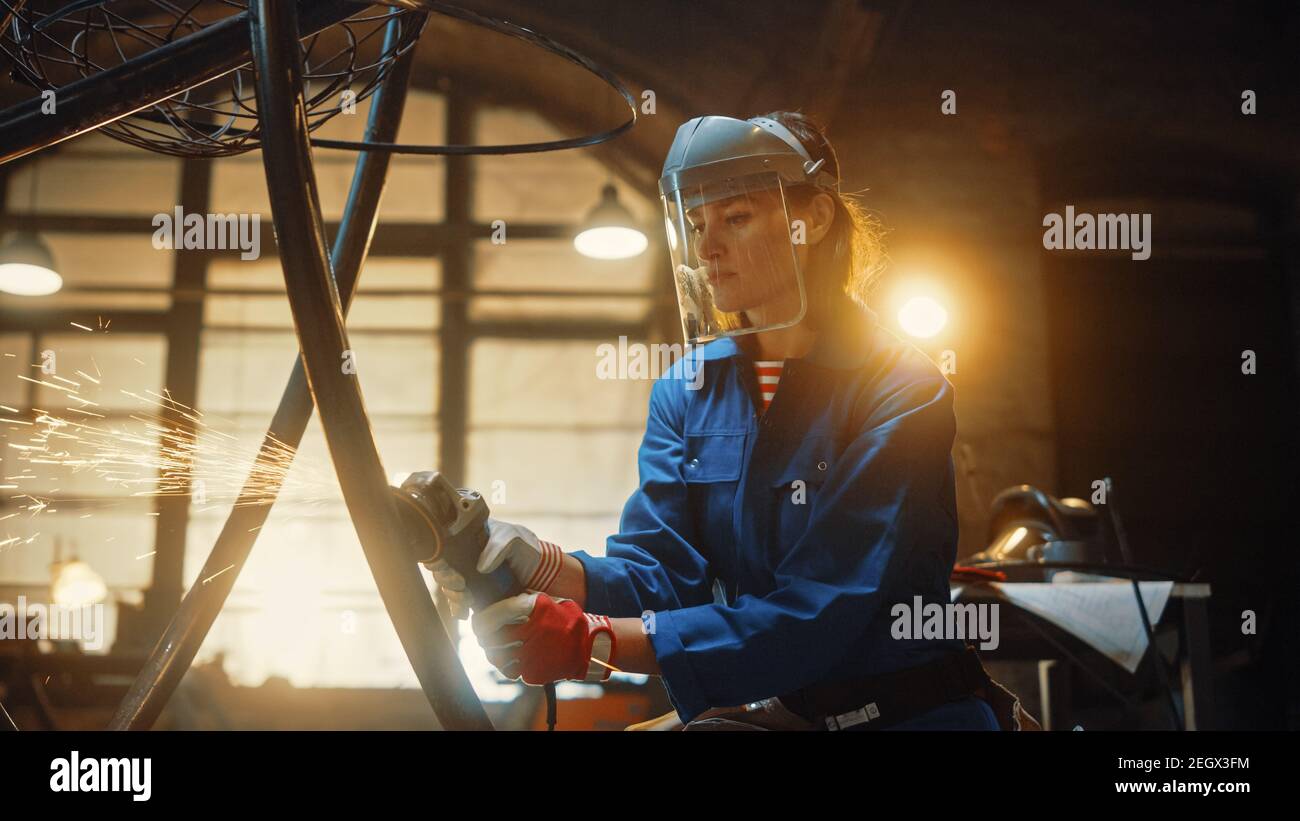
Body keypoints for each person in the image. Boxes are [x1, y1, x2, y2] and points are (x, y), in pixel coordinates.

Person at [428, 111, 1018, 731]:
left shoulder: (901, 388)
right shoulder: (687, 389)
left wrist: (595, 641)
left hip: (909, 715)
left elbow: (822, 607)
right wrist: (538, 565)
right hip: (787, 712)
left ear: (811, 219)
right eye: (697, 223)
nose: (708, 248)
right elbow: (662, 575)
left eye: (735, 218)